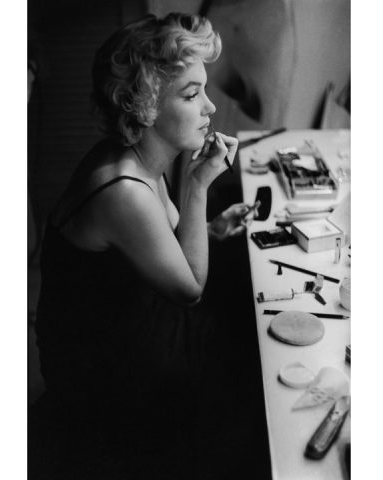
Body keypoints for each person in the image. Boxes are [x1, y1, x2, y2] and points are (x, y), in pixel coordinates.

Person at [32, 13, 260, 479]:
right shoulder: (123, 189)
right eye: (191, 95)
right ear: (145, 105)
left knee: (251, 313)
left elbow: (168, 243)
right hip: (104, 382)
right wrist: (199, 185)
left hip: (135, 328)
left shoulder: (142, 161)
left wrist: (212, 228)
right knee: (252, 373)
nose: (210, 108)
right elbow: (190, 289)